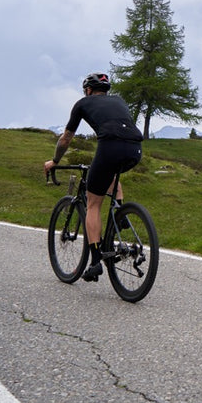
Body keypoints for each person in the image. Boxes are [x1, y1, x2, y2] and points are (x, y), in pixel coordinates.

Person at [43, 73, 143, 282]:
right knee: (112, 177)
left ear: (88, 90)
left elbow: (66, 139)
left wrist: (55, 161)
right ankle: (121, 215)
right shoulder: (119, 101)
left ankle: (96, 260)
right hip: (135, 149)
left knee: (93, 203)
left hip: (110, 147)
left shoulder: (83, 103)